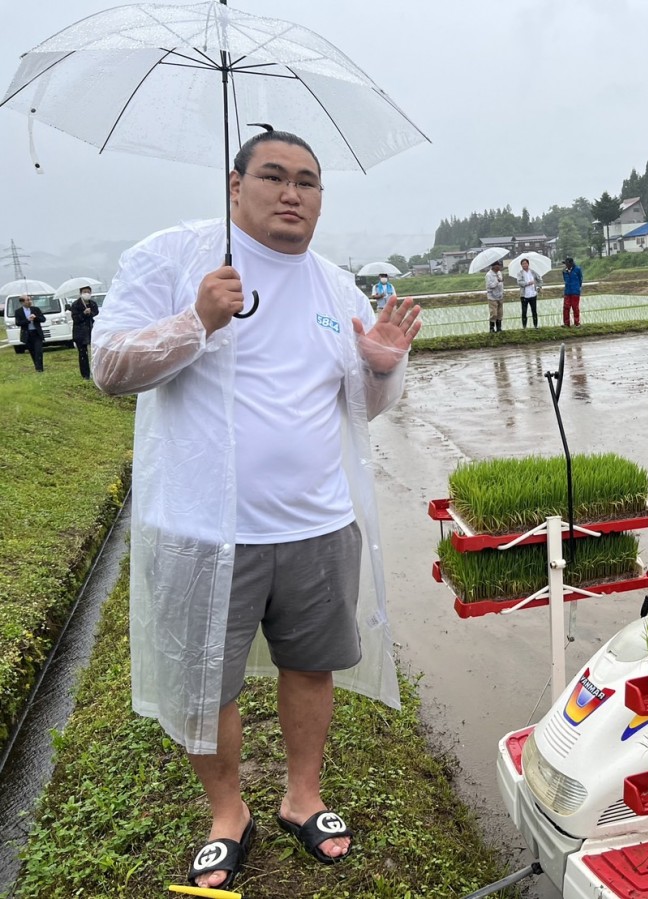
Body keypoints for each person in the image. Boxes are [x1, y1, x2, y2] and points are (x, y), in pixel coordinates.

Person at [91, 129, 422, 891]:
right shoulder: (175, 258)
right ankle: (227, 812)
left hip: (317, 523)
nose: (292, 193)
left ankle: (302, 797)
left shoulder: (336, 287)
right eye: (273, 175)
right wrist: (196, 322)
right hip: (204, 529)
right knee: (208, 683)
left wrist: (380, 364)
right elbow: (107, 366)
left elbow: (361, 409)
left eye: (308, 181)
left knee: (311, 667)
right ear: (234, 183)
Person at [69, 286, 100, 379]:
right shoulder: (75, 304)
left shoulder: (93, 303)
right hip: (80, 333)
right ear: (81, 293)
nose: (86, 293)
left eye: (88, 292)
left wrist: (90, 313)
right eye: (84, 292)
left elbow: (96, 314)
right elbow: (75, 318)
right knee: (83, 354)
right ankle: (85, 374)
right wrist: (83, 313)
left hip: (92, 330)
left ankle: (97, 372)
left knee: (95, 352)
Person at [15, 295, 46, 372]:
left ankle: (39, 369)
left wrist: (35, 317)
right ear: (22, 302)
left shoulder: (35, 309)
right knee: (32, 352)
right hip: (27, 334)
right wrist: (28, 320)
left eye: (30, 300)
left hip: (37, 333)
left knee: (38, 351)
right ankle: (37, 366)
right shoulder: (18, 311)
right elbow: (18, 323)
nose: (30, 301)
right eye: (27, 300)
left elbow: (43, 319)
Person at [516, 257, 541, 328]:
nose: (524, 265)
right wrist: (528, 283)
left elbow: (539, 280)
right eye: (523, 264)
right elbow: (519, 282)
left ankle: (535, 326)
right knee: (524, 312)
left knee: (534, 311)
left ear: (528, 264)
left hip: (533, 294)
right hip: (524, 295)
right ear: (521, 265)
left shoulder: (533, 272)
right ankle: (524, 327)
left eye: (525, 263)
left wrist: (538, 287)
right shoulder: (520, 273)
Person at [562, 256, 583, 327]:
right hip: (567, 291)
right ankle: (566, 323)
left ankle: (577, 323)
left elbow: (580, 280)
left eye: (567, 263)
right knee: (566, 307)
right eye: (565, 264)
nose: (566, 265)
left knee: (575, 307)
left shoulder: (577, 269)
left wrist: (577, 287)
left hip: (575, 291)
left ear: (571, 263)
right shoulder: (564, 271)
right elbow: (565, 280)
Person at [485, 259, 505, 332]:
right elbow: (490, 286)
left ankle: (499, 328)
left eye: (499, 266)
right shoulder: (489, 275)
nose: (499, 267)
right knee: (494, 313)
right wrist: (497, 281)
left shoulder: (499, 273)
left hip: (500, 296)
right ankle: (491, 328)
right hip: (492, 297)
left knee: (500, 313)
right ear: (493, 267)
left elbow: (501, 283)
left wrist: (502, 291)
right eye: (497, 266)